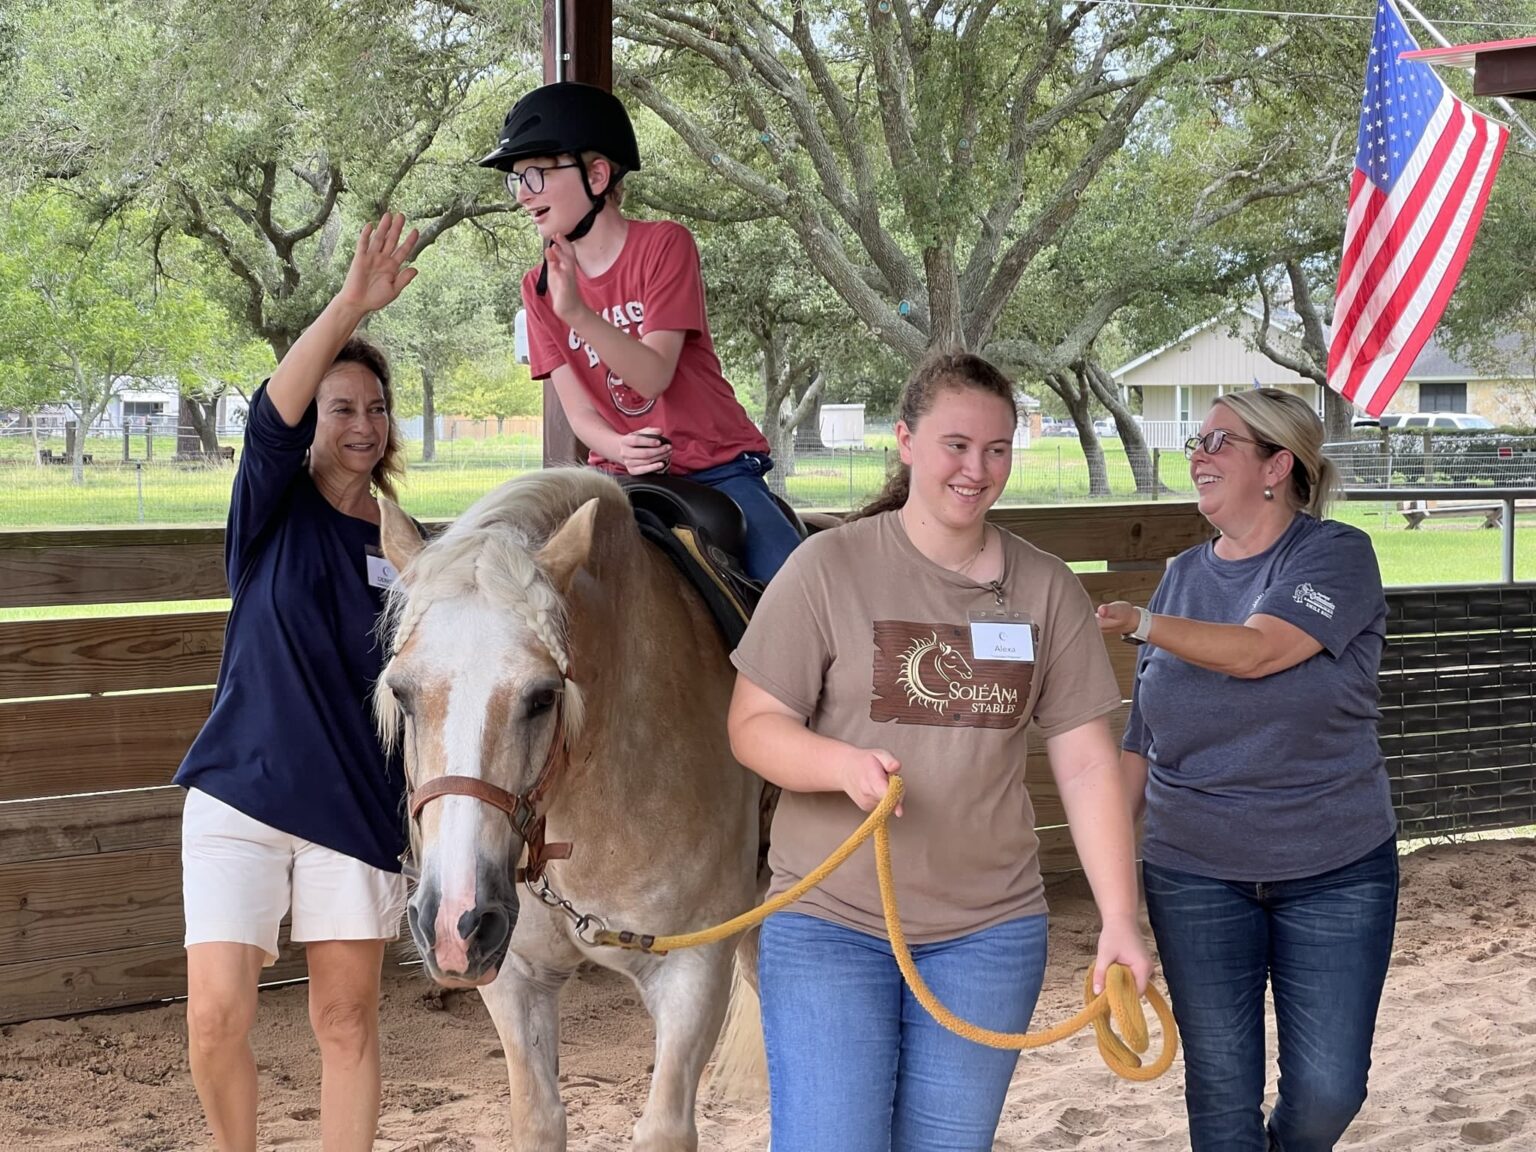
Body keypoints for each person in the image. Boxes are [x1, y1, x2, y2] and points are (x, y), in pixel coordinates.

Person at [727, 351, 1153, 1151]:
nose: (976, 470)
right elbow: (753, 723)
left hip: (989, 931)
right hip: (831, 923)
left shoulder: (1046, 588)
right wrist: (839, 766)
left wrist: (1120, 918)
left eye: (997, 449)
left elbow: (1089, 763)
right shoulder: (828, 568)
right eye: (956, 445)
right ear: (906, 441)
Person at [174, 213, 420, 1152]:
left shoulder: (406, 544)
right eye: (341, 407)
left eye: (375, 408)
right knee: (215, 1017)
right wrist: (352, 303)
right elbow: (267, 420)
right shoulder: (270, 508)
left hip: (352, 808)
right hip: (241, 792)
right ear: (313, 419)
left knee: (346, 1022)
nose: (362, 424)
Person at [1097, 387, 1398, 1152]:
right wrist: (1111, 883)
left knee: (1330, 1091)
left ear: (1276, 465)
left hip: (1334, 868)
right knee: (1221, 1093)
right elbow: (1141, 738)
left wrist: (1141, 623)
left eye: (1217, 442)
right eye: (1195, 442)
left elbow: (1259, 651)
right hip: (1193, 870)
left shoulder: (1335, 554)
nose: (1197, 456)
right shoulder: (1181, 575)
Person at [478, 81, 803, 584]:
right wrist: (618, 447)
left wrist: (578, 314)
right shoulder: (537, 288)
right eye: (517, 179)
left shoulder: (664, 245)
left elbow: (653, 375)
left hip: (715, 467)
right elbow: (580, 412)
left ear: (597, 175)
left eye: (537, 174)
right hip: (617, 475)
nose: (522, 193)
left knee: (794, 582)